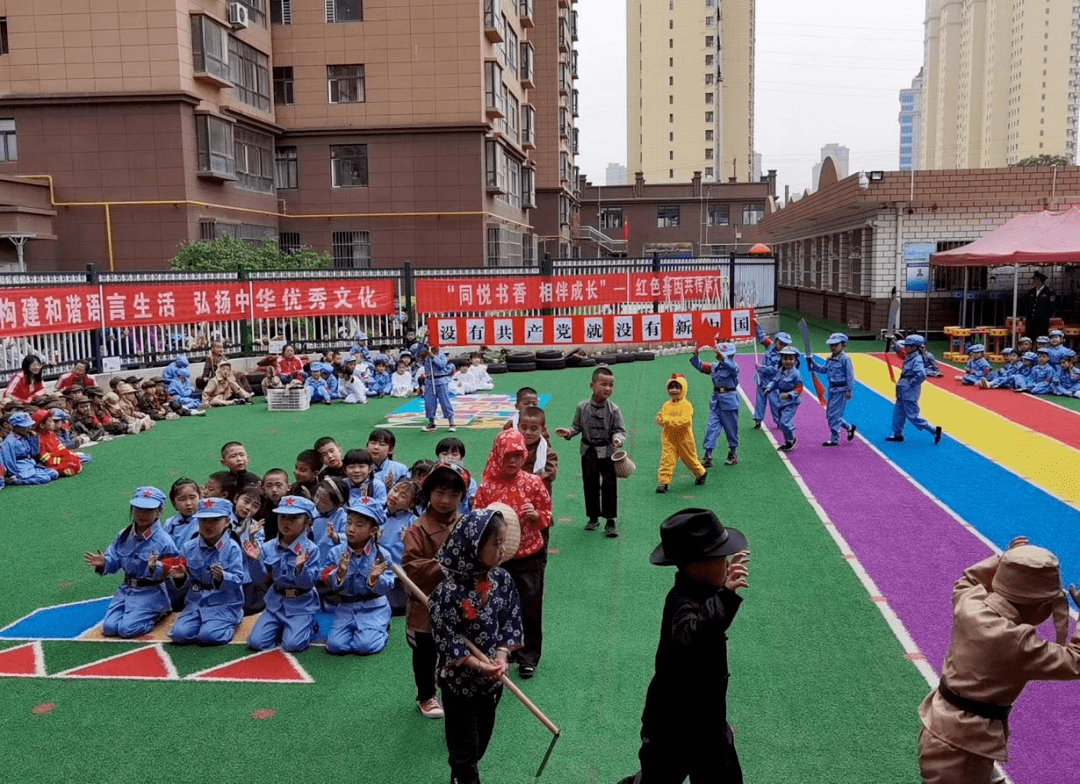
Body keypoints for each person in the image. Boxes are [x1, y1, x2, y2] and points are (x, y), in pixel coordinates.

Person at [917, 537, 1080, 784]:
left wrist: (1006, 559)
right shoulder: (1017, 642)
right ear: (1039, 607)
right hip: (966, 745)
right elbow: (1075, 661)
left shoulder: (970, 604)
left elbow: (969, 579)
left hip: (942, 727)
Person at [616, 508, 750, 784]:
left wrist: (722, 594)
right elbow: (695, 634)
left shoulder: (707, 592)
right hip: (672, 725)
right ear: (694, 566)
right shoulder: (680, 602)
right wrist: (726, 595)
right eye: (720, 558)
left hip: (709, 722)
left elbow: (713, 622)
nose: (726, 564)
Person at [428, 508, 522, 784]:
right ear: (474, 546)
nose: (502, 549)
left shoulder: (502, 580)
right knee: (464, 750)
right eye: (496, 544)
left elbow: (510, 619)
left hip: (492, 683)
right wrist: (479, 665)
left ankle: (460, 772)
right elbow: (447, 639)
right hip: (459, 684)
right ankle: (463, 773)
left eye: (503, 542)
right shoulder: (447, 592)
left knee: (480, 741)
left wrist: (502, 656)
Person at [472, 429, 552, 679]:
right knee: (496, 606)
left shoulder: (532, 482)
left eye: (518, 456)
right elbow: (475, 517)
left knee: (529, 605)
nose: (513, 461)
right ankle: (502, 651)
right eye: (508, 456)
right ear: (498, 455)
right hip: (495, 560)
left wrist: (535, 515)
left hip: (528, 555)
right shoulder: (487, 485)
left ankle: (528, 656)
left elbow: (547, 515)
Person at [402, 462, 469, 719]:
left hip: (460, 604)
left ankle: (455, 689)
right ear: (429, 491)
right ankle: (426, 695)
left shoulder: (466, 523)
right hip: (425, 605)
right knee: (425, 653)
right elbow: (413, 568)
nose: (445, 500)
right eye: (440, 492)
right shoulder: (418, 528)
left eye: (454, 494)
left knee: (458, 650)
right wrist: (446, 563)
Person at [83, 486, 179, 638]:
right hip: (126, 590)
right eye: (138, 509)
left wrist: (157, 567)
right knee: (109, 628)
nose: (142, 514)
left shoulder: (164, 541)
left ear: (159, 512)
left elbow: (173, 568)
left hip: (150, 592)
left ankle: (158, 611)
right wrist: (104, 563)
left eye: (148, 510)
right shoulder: (124, 535)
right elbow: (114, 559)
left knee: (127, 630)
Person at [555, 366, 626, 538]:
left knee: (609, 484)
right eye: (603, 384)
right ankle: (593, 517)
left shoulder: (613, 409)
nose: (607, 388)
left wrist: (617, 439)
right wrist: (569, 432)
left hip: (607, 450)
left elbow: (620, 430)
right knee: (590, 483)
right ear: (592, 385)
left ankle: (610, 520)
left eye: (611, 385)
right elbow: (576, 426)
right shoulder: (582, 407)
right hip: (588, 451)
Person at [244, 495, 321, 652]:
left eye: (294, 518)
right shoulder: (268, 547)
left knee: (293, 645)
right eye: (283, 517)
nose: (286, 522)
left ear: (306, 521)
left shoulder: (311, 549)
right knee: (256, 643)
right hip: (276, 603)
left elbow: (309, 584)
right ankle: (282, 627)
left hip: (302, 604)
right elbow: (259, 579)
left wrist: (300, 569)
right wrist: (254, 560)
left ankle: (308, 623)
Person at [320, 496, 395, 655]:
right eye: (349, 522)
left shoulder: (382, 555)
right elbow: (327, 579)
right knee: (335, 647)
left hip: (374, 607)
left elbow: (388, 584)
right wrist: (339, 573)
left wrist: (374, 578)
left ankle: (380, 627)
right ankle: (366, 631)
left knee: (364, 646)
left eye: (359, 525)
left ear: (373, 531)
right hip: (346, 607)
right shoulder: (336, 552)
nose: (351, 528)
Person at [167, 497, 245, 645]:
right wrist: (180, 578)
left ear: (227, 522)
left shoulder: (233, 548)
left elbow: (239, 578)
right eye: (204, 520)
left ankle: (234, 618)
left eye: (215, 520)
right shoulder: (188, 547)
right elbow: (185, 580)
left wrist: (223, 577)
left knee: (208, 637)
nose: (209, 525)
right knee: (179, 635)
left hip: (224, 602)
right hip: (195, 601)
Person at [689, 338, 740, 466]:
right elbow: (701, 367)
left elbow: (734, 368)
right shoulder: (714, 366)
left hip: (729, 402)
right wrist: (695, 355)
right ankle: (708, 456)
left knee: (731, 430)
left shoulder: (732, 367)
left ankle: (733, 453)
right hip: (716, 401)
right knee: (711, 428)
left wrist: (723, 358)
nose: (718, 356)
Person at [654, 374, 707, 494]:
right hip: (669, 438)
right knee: (666, 459)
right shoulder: (666, 405)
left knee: (690, 459)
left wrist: (667, 421)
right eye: (671, 387)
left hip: (684, 439)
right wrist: (660, 419)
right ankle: (664, 482)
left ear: (683, 389)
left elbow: (684, 421)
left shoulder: (687, 405)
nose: (674, 390)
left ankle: (701, 473)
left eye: (677, 387)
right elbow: (661, 416)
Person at [886, 334, 943, 445]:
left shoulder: (916, 359)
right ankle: (897, 434)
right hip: (903, 388)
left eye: (907, 346)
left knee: (912, 415)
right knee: (899, 411)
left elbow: (921, 374)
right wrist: (890, 340)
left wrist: (911, 383)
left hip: (909, 389)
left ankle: (933, 430)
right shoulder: (910, 355)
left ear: (914, 347)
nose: (905, 348)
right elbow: (898, 348)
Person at [808, 332, 857, 447]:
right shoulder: (830, 358)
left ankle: (835, 439)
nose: (833, 347)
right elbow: (824, 370)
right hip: (832, 389)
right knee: (831, 415)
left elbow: (849, 375)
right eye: (831, 345)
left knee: (833, 416)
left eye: (836, 345)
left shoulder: (845, 359)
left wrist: (849, 390)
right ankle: (849, 428)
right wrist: (812, 363)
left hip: (841, 390)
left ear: (843, 345)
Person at [383, 478, 420, 615]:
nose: (395, 496)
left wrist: (409, 542)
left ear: (411, 504)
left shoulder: (413, 522)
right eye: (395, 490)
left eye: (403, 496)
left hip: (397, 578)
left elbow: (417, 554)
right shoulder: (376, 514)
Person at [763, 346, 803, 452]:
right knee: (780, 423)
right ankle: (788, 442)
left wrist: (789, 394)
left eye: (791, 359)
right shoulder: (780, 371)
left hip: (791, 402)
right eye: (785, 359)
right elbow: (775, 381)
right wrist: (769, 387)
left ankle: (792, 439)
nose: (788, 362)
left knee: (785, 423)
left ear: (795, 360)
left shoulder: (796, 374)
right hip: (781, 401)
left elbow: (799, 388)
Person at [1, 411, 58, 485]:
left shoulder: (26, 437)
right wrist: (14, 474)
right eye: (24, 427)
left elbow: (34, 453)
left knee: (54, 474)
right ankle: (16, 480)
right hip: (20, 468)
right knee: (45, 478)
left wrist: (34, 438)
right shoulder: (10, 442)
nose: (27, 428)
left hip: (30, 465)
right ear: (16, 427)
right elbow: (9, 461)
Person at [33, 408, 90, 477]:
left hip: (61, 456)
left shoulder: (51, 433)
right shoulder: (39, 439)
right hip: (54, 461)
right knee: (68, 467)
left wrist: (68, 455)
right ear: (42, 425)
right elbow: (45, 458)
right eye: (50, 422)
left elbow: (60, 447)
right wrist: (61, 460)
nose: (53, 424)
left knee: (80, 459)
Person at [752, 327, 790, 429]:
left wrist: (760, 368)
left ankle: (779, 421)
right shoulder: (770, 346)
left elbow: (774, 370)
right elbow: (762, 337)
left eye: (785, 344)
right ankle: (758, 420)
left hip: (773, 383)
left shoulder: (785, 357)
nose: (782, 346)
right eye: (780, 343)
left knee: (775, 403)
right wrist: (756, 325)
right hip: (761, 380)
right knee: (760, 401)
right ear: (776, 341)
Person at [517, 406, 558, 495]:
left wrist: (528, 479)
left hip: (539, 495)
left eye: (534, 429)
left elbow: (550, 474)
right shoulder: (513, 448)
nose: (528, 432)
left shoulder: (549, 453)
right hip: (516, 493)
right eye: (523, 428)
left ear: (542, 430)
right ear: (517, 426)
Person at [417, 344, 456, 432]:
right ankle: (432, 423)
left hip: (441, 381)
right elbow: (418, 356)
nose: (434, 349)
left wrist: (433, 356)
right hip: (429, 381)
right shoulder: (425, 355)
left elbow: (442, 365)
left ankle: (451, 422)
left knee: (445, 402)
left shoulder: (442, 355)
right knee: (429, 403)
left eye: (435, 347)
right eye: (432, 347)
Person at [435, 436, 478, 513]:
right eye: (444, 454)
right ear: (438, 456)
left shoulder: (470, 482)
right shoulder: (432, 476)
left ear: (461, 457)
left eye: (455, 454)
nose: (449, 457)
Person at [1024, 270, 1054, 343]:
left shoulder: (1048, 292)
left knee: (1041, 339)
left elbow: (1051, 307)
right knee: (1030, 339)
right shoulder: (1031, 292)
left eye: (1034, 280)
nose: (1033, 282)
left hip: (1042, 321)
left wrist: (1045, 317)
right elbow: (1027, 305)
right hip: (1031, 320)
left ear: (1039, 281)